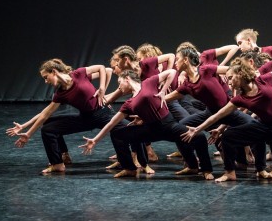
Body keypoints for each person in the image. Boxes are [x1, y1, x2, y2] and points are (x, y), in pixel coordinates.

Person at [181, 61, 272, 182]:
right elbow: (217, 115)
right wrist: (199, 129)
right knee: (228, 136)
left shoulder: (263, 80)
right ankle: (230, 173)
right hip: (265, 126)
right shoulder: (239, 99)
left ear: (240, 75)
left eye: (231, 77)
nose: (229, 81)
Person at [6, 58, 150, 174]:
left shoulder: (78, 74)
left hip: (103, 113)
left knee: (129, 130)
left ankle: (135, 165)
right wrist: (28, 133)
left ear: (54, 71)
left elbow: (102, 68)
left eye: (46, 77)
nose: (45, 81)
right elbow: (45, 114)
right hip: (85, 118)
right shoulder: (60, 93)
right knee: (48, 128)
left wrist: (101, 88)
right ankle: (58, 163)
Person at [80, 69, 214, 180]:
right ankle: (129, 168)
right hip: (151, 129)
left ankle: (200, 168)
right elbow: (111, 123)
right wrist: (95, 140)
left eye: (120, 83)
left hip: (168, 125)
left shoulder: (148, 83)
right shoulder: (128, 103)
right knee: (117, 133)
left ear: (127, 79)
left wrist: (163, 90)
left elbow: (172, 72)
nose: (119, 87)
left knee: (199, 136)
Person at [165, 47, 259, 170]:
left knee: (256, 128)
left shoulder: (206, 70)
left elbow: (232, 70)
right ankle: (192, 165)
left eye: (177, 59)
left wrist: (254, 75)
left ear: (186, 60)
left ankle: (250, 164)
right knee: (180, 128)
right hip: (210, 113)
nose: (175, 62)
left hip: (228, 112)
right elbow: (166, 99)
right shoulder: (187, 85)